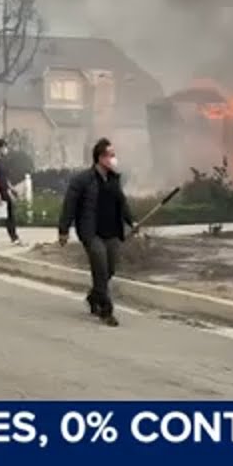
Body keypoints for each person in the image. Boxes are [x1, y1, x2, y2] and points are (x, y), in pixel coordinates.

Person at [57, 138, 138, 327]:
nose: (114, 158)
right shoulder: (82, 180)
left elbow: (122, 202)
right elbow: (69, 205)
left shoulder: (113, 179)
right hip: (91, 232)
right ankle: (106, 310)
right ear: (100, 158)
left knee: (109, 269)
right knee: (100, 268)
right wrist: (64, 230)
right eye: (111, 155)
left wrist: (130, 221)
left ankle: (94, 297)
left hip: (112, 231)